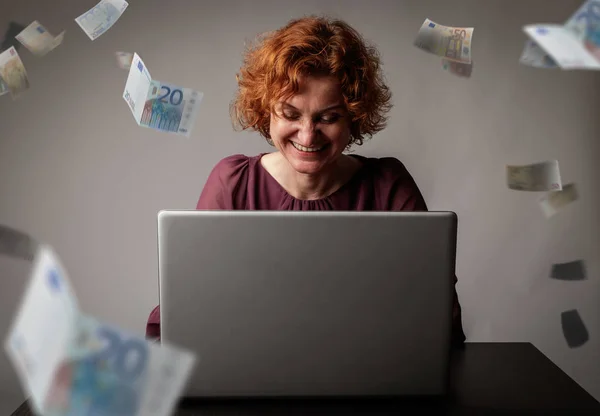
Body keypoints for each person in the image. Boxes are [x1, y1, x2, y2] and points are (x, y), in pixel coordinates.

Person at [147, 15, 466, 345]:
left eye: (328, 118)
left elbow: (438, 317)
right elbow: (185, 310)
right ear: (266, 110)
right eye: (290, 114)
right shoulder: (234, 183)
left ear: (353, 118)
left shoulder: (388, 186)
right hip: (251, 380)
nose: (308, 135)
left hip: (368, 385)